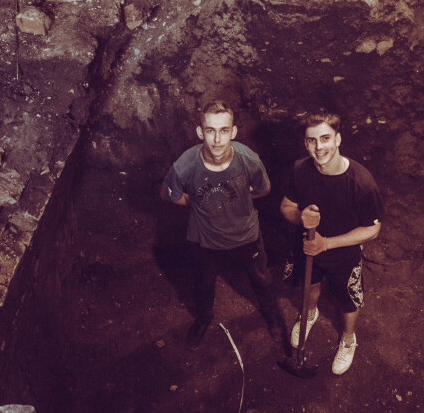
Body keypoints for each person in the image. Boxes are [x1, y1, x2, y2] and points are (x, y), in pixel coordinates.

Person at [161, 100, 287, 352]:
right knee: (203, 283)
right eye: (210, 130)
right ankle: (204, 318)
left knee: (261, 280)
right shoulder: (186, 165)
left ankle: (273, 316)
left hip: (245, 235)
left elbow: (263, 189)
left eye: (224, 130)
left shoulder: (248, 160)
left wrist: (239, 197)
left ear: (233, 132)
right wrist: (195, 202)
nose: (217, 139)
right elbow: (168, 194)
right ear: (200, 132)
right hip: (204, 239)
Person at [280, 111, 383, 375]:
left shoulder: (361, 183)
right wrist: (300, 217)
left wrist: (326, 244)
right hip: (306, 246)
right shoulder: (299, 170)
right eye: (312, 140)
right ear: (306, 144)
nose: (319, 147)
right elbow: (287, 206)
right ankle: (309, 314)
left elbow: (373, 229)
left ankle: (348, 339)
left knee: (348, 300)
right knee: (310, 284)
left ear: (338, 139)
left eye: (325, 138)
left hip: (342, 253)